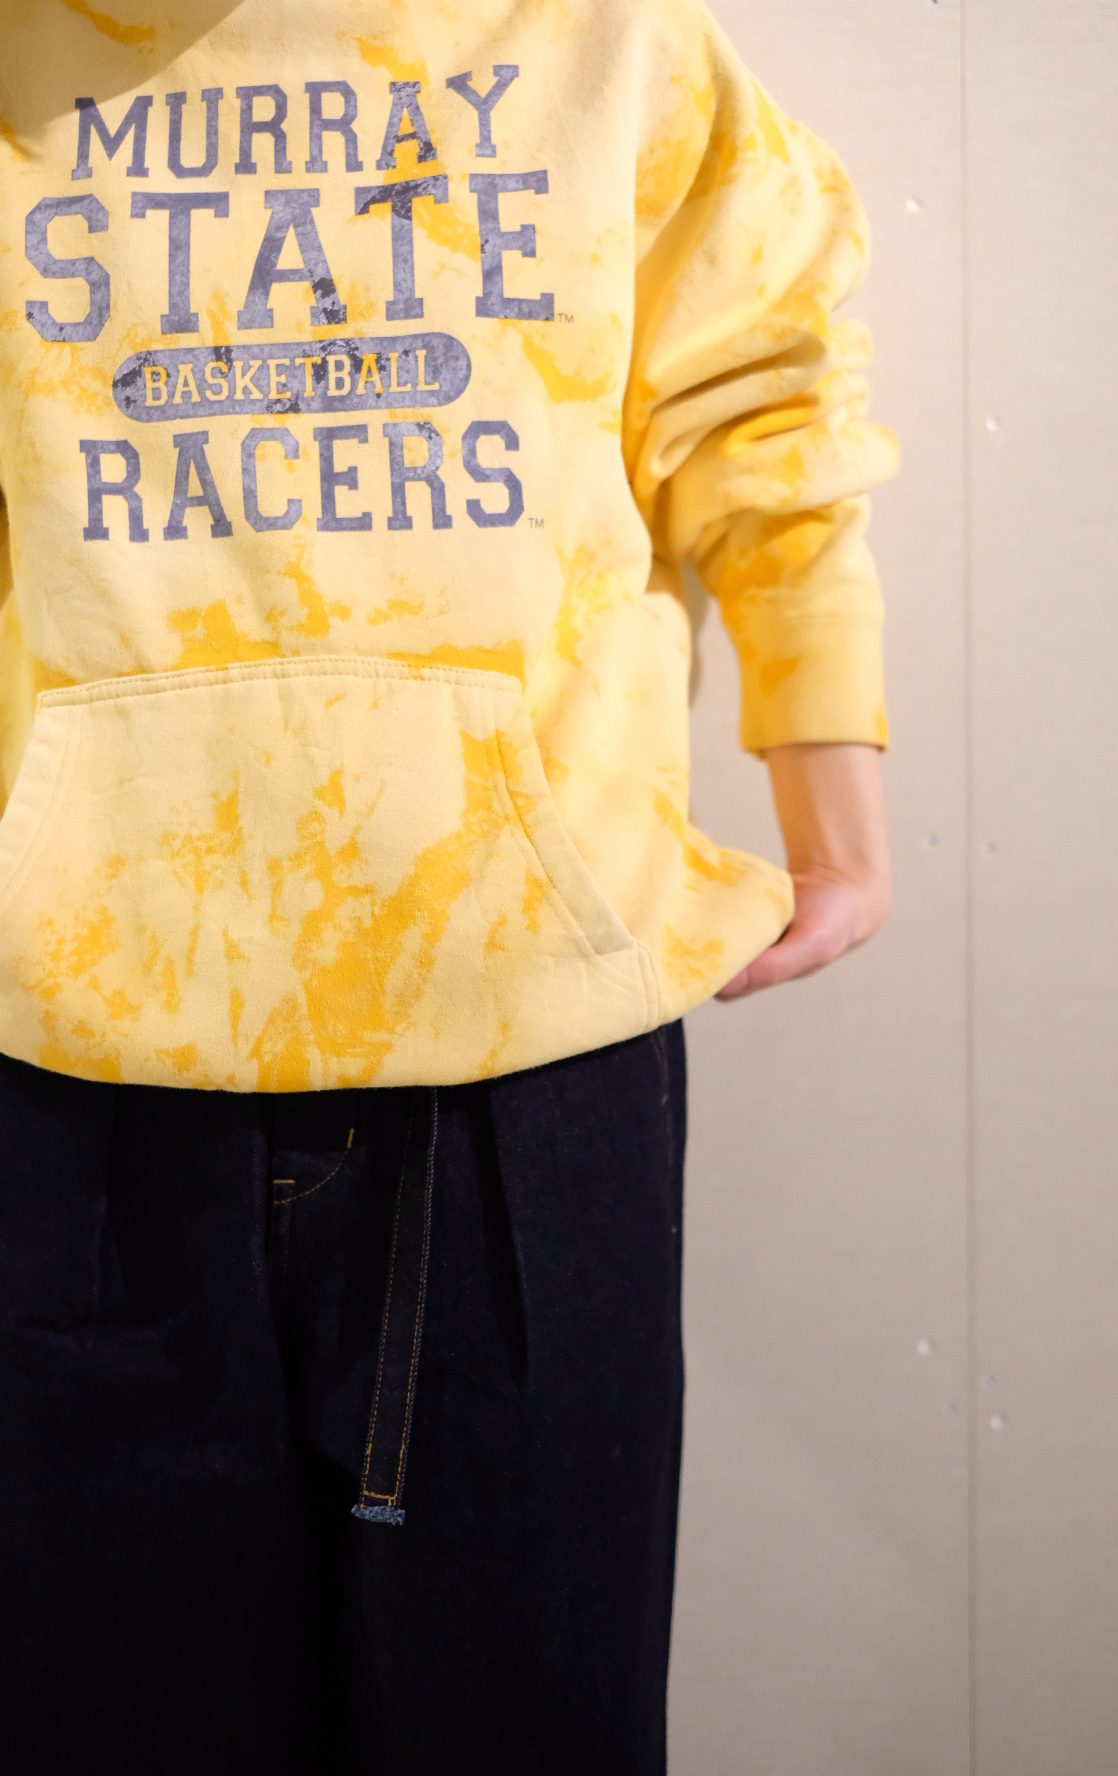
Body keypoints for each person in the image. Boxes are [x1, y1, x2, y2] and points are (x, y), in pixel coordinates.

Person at [0, 0, 899, 1770]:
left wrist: (834, 789)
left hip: (526, 1039)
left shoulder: (603, 37)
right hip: (70, 1043)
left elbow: (761, 397)